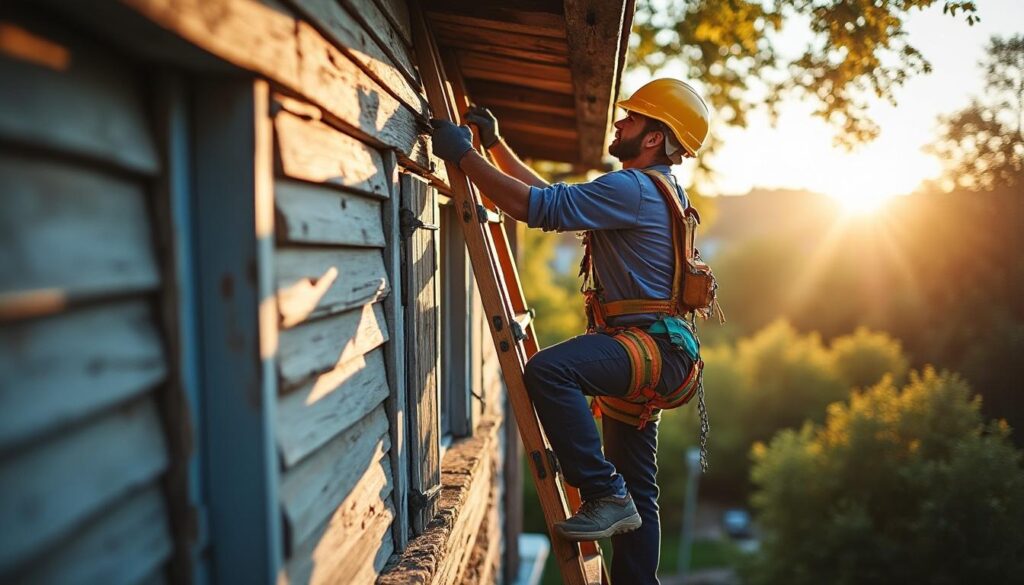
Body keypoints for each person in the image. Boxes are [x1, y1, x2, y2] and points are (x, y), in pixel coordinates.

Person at [430, 78, 711, 585]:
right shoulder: (658, 187)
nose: (620, 123)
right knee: (640, 490)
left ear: (653, 138)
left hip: (646, 347)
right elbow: (549, 195)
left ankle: (604, 492)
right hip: (661, 350)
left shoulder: (631, 187)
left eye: (632, 118)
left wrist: (465, 159)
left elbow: (536, 208)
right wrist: (493, 147)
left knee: (550, 371)